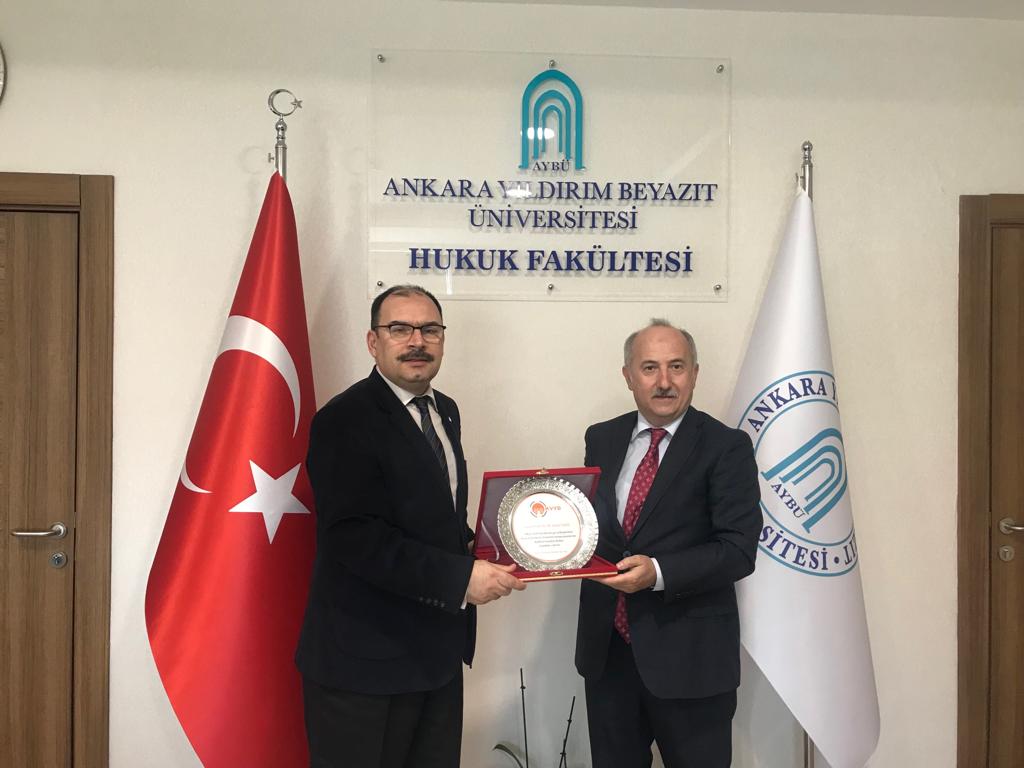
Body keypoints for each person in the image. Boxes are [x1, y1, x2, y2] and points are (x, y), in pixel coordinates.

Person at [296, 284, 525, 768]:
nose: (417, 341)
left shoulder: (446, 411)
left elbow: (434, 515)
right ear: (373, 342)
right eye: (400, 328)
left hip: (436, 656)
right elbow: (355, 537)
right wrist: (460, 578)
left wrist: (489, 546)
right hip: (362, 663)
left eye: (430, 329)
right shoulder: (344, 419)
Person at [575, 319, 762, 768]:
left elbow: (738, 549)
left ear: (694, 373)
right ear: (628, 376)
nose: (664, 381)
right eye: (649, 368)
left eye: (676, 367)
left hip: (691, 661)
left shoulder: (727, 446)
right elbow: (589, 525)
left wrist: (657, 573)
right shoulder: (601, 437)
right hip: (609, 657)